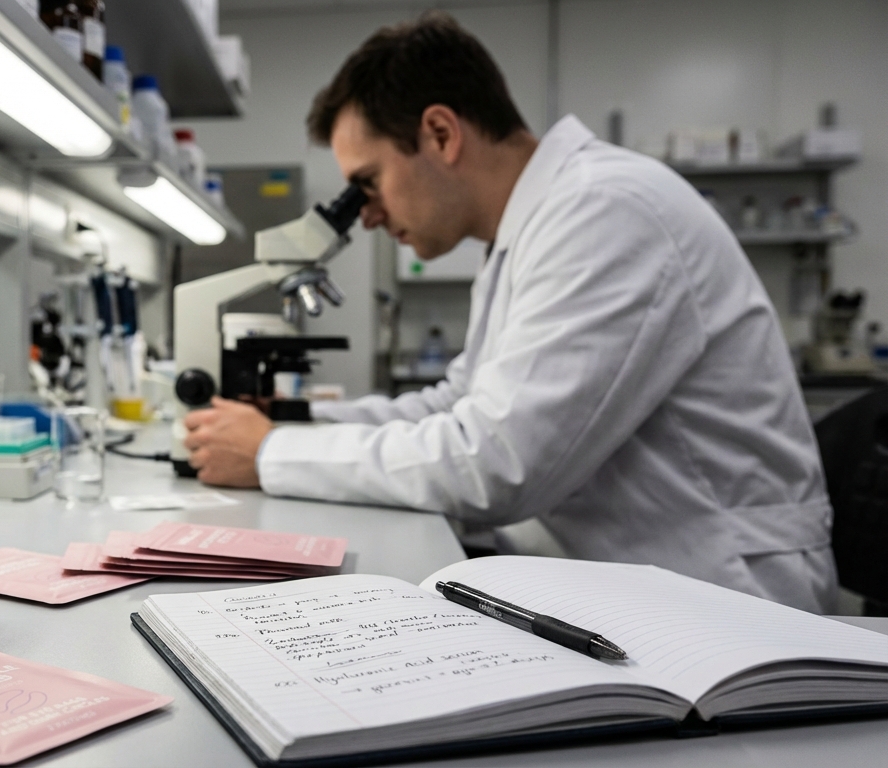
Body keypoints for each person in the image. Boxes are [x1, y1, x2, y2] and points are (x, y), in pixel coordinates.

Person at [182, 12, 836, 613]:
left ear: (440, 133)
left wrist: (272, 452)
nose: (369, 215)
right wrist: (297, 418)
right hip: (635, 584)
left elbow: (495, 464)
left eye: (367, 183)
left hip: (729, 603)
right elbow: (455, 404)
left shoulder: (606, 210)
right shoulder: (531, 231)